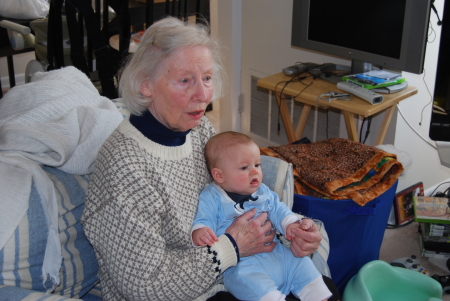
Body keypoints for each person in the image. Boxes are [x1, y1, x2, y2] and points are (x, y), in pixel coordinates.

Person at [81, 17, 323, 301]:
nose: (203, 95)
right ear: (146, 86)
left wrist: (291, 230)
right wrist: (231, 247)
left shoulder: (196, 128)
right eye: (185, 80)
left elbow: (234, 198)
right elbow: (144, 286)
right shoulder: (125, 168)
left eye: (207, 78)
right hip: (179, 293)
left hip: (232, 273)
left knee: (321, 280)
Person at [192, 131, 331, 301]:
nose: (254, 172)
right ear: (219, 175)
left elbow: (278, 209)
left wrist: (291, 224)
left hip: (277, 254)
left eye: (257, 165)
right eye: (244, 167)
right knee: (247, 282)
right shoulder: (211, 197)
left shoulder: (263, 191)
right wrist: (200, 231)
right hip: (243, 265)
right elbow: (203, 220)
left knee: (303, 265)